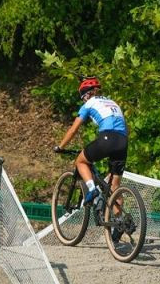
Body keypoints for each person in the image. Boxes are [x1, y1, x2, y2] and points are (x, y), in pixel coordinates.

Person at [54, 76, 128, 209]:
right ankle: (119, 223)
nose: (83, 100)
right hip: (123, 141)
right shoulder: (112, 102)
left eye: (82, 97)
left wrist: (60, 147)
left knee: (80, 161)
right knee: (114, 187)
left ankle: (92, 189)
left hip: (108, 138)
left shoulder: (88, 104)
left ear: (86, 94)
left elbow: (73, 130)